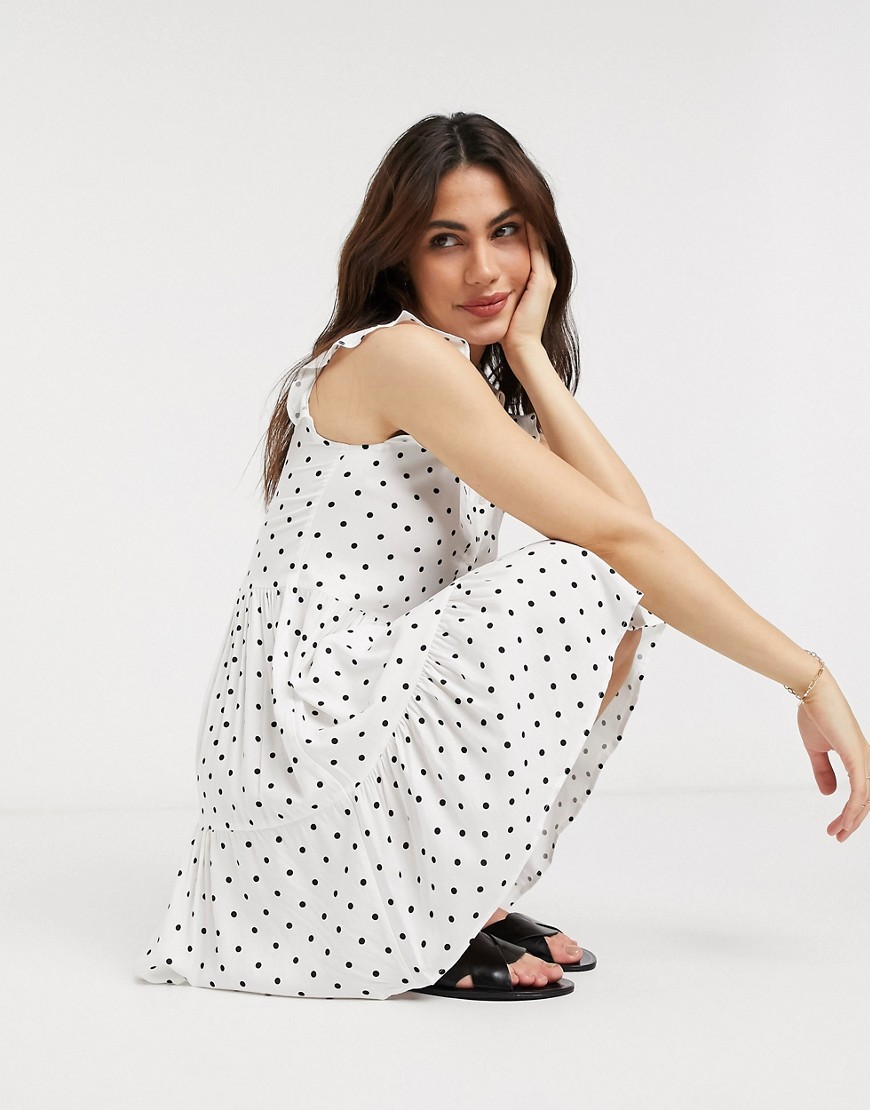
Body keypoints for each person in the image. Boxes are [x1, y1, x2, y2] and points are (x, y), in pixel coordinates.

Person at [135, 112, 870, 1003]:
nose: (484, 270)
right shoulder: (401, 357)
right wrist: (809, 679)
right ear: (399, 258)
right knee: (583, 579)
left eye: (507, 233)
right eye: (447, 241)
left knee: (610, 595)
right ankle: (409, 923)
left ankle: (456, 900)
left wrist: (527, 353)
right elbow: (625, 544)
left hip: (352, 715)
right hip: (308, 743)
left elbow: (627, 527)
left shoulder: (467, 371)